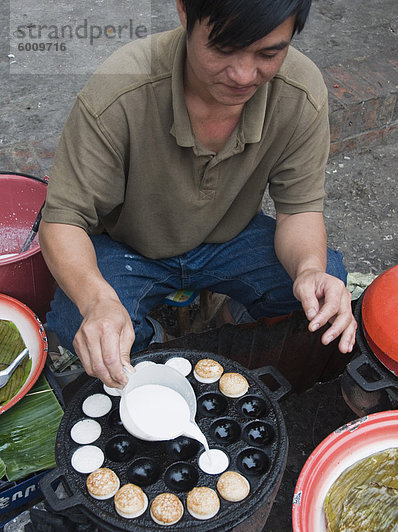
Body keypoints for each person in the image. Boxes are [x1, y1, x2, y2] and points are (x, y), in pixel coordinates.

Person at [39, 0, 357, 389]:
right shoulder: (120, 92)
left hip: (230, 237)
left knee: (327, 285)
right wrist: (98, 302)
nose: (243, 75)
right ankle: (148, 356)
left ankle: (236, 333)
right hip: (131, 247)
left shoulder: (299, 92)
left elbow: (299, 210)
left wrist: (308, 270)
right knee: (80, 320)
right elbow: (62, 220)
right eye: (223, 49)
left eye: (268, 53)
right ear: (184, 12)